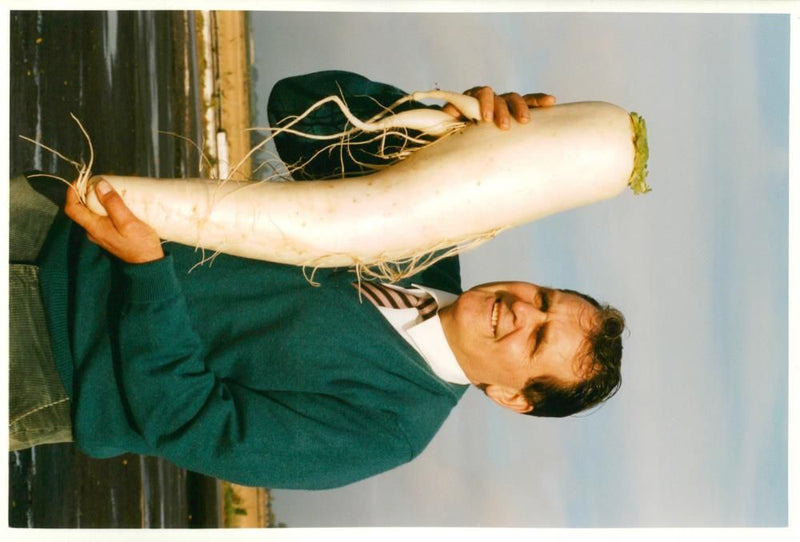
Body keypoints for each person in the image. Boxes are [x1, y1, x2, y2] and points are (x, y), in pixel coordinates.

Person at [9, 71, 624, 489]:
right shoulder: (430, 235)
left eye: (537, 339)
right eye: (545, 300)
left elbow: (192, 424)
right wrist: (445, 132)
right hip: (47, 219)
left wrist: (146, 272)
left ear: (511, 397)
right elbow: (295, 105)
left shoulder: (389, 430)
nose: (522, 311)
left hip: (51, 360)